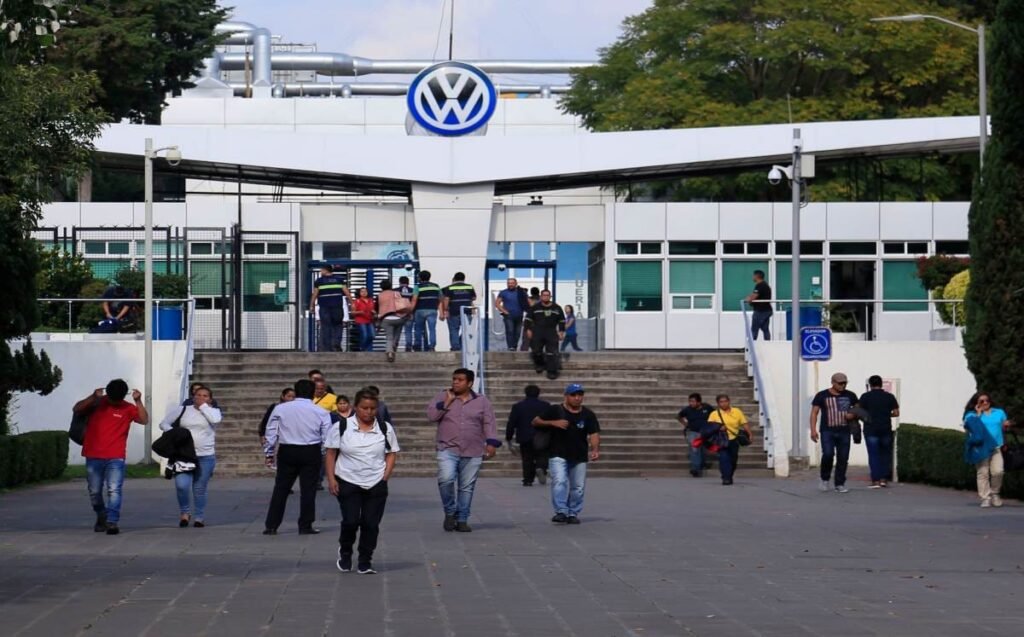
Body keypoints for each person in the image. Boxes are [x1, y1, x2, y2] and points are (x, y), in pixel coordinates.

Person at [326, 389, 400, 575]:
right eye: (364, 408)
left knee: (371, 523)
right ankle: (345, 551)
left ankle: (365, 560)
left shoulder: (384, 428)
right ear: (355, 407)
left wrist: (385, 476)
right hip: (348, 480)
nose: (368, 412)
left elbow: (392, 453)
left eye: (372, 408)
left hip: (376, 482)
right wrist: (331, 478)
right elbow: (331, 453)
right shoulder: (341, 426)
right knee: (351, 521)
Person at [426, 368, 500, 532]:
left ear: (470, 383)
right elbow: (431, 416)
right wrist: (446, 403)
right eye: (454, 379)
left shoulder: (482, 401)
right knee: (446, 479)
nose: (455, 382)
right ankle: (450, 512)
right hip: (447, 447)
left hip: (473, 450)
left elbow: (489, 423)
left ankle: (462, 519)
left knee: (466, 486)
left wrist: (491, 443)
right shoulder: (442, 396)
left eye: (460, 380)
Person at [72, 379, 150, 535]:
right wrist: (93, 397)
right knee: (94, 491)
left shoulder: (128, 408)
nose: (114, 403)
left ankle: (112, 522)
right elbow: (77, 409)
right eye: (112, 399)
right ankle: (101, 514)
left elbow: (144, 420)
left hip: (116, 456)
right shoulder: (97, 403)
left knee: (114, 490)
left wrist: (138, 401)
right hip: (93, 454)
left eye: (117, 400)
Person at [262, 379, 333, 535]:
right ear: (313, 392)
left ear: (296, 391)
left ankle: (271, 525)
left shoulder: (281, 408)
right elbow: (327, 435)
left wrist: (269, 453)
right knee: (308, 490)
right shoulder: (321, 411)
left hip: (287, 450)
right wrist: (323, 452)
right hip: (311, 450)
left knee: (281, 488)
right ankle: (305, 525)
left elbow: (271, 431)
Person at [532, 383, 601, 524]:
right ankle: (561, 511)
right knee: (559, 481)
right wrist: (553, 423)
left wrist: (595, 450)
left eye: (580, 395)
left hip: (579, 455)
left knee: (578, 487)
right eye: (573, 395)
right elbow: (535, 421)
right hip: (558, 453)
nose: (577, 398)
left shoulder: (588, 414)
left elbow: (594, 433)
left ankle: (573, 512)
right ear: (566, 396)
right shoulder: (555, 410)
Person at [159, 385, 222, 528]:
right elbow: (164, 423)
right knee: (182, 485)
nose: (201, 398)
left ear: (210, 399)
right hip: (184, 455)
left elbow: (215, 420)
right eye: (198, 395)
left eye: (205, 396)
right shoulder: (183, 409)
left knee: (199, 488)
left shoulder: (214, 412)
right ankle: (185, 512)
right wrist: (175, 433)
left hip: (205, 456)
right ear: (193, 397)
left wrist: (204, 407)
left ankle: (199, 516)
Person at [810, 372, 860, 493]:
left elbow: (858, 408)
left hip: (844, 430)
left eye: (845, 383)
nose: (843, 386)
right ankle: (824, 479)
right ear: (833, 382)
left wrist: (853, 414)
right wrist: (813, 430)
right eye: (840, 383)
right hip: (827, 430)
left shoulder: (850, 395)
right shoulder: (822, 395)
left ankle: (839, 483)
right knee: (828, 454)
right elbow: (814, 412)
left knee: (843, 457)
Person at [963, 392, 1010, 508]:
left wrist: (1006, 428)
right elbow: (971, 429)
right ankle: (985, 498)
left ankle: (995, 494)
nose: (985, 403)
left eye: (987, 400)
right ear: (976, 403)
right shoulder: (971, 415)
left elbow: (1003, 428)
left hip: (996, 446)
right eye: (981, 401)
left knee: (998, 471)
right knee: (983, 473)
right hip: (981, 448)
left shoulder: (999, 412)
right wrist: (978, 415)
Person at [505, 385, 551, 486]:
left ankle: (528, 479)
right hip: (541, 435)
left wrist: (509, 437)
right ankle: (541, 468)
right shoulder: (546, 405)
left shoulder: (518, 406)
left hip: (524, 436)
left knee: (527, 458)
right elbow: (551, 420)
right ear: (538, 393)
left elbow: (511, 423)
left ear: (525, 393)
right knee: (542, 455)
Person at [859, 376, 900, 488]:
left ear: (870, 385)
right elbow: (896, 413)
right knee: (885, 454)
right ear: (881, 384)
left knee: (873, 455)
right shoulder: (889, 396)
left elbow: (859, 412)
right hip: (885, 428)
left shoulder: (865, 396)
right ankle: (883, 479)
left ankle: (875, 480)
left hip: (871, 429)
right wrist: (887, 415)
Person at [707, 394, 752, 486]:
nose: (723, 404)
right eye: (721, 402)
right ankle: (726, 478)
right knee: (724, 458)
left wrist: (750, 434)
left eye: (725, 401)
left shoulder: (737, 411)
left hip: (734, 439)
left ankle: (729, 475)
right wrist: (718, 428)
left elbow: (744, 423)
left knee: (733, 459)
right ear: (718, 403)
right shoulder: (714, 414)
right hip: (721, 439)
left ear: (729, 401)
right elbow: (710, 427)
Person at [524, 289, 566, 380]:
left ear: (550, 297)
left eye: (547, 295)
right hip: (537, 331)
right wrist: (528, 330)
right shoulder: (535, 307)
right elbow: (528, 319)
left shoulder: (557, 308)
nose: (546, 297)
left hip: (551, 332)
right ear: (541, 296)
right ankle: (539, 364)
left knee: (552, 352)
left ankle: (551, 371)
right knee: (536, 350)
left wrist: (561, 331)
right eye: (544, 295)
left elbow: (562, 320)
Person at [309, 265, 351, 353]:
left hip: (324, 307)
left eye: (321, 270)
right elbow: (347, 292)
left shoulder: (319, 281)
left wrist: (311, 305)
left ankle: (327, 348)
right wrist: (352, 303)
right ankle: (336, 345)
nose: (321, 272)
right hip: (337, 307)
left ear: (325, 270)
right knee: (338, 326)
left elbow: (315, 294)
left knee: (325, 327)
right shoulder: (339, 280)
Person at [678, 393, 713, 477]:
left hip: (705, 432)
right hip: (692, 432)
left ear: (699, 402)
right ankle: (695, 469)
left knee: (702, 450)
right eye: (690, 401)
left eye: (693, 401)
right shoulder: (687, 409)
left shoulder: (707, 407)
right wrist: (685, 424)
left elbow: (715, 415)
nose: (691, 403)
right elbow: (679, 416)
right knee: (694, 449)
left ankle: (701, 465)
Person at [376, 279, 411, 363]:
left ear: (381, 287)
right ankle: (393, 346)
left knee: (389, 337)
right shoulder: (396, 293)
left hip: (386, 319)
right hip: (399, 318)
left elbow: (376, 308)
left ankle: (390, 352)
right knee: (396, 336)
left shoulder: (379, 296)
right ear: (390, 286)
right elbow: (402, 303)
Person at [441, 272, 477, 351]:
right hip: (467, 312)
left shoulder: (449, 288)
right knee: (467, 330)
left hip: (453, 312)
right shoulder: (469, 287)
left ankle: (455, 347)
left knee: (454, 330)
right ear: (464, 278)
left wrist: (445, 310)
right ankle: (461, 345)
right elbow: (474, 298)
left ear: (454, 279)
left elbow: (446, 299)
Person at [495, 277, 529, 351]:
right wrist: (504, 311)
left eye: (512, 283)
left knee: (518, 333)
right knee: (510, 331)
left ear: (516, 284)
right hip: (508, 316)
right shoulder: (503, 292)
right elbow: (497, 303)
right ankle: (511, 347)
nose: (510, 284)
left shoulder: (521, 292)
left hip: (519, 315)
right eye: (509, 283)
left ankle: (514, 346)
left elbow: (527, 302)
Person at [412, 270, 441, 352]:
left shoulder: (418, 287)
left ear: (420, 278)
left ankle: (417, 345)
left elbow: (414, 299)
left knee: (418, 329)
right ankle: (432, 346)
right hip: (432, 310)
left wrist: (410, 310)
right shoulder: (436, 286)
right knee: (432, 329)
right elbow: (440, 299)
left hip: (420, 310)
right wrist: (441, 311)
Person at [745, 270, 773, 341]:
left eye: (753, 275)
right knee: (765, 328)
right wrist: (750, 298)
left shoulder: (760, 285)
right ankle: (767, 343)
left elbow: (753, 296)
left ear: (757, 276)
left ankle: (751, 345)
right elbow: (754, 295)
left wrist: (748, 299)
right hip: (766, 310)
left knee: (754, 328)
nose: (752, 277)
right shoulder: (765, 285)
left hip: (761, 311)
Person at [352, 287, 376, 352]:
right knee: (364, 335)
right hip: (361, 321)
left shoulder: (371, 301)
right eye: (362, 291)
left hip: (369, 320)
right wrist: (360, 312)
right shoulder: (357, 301)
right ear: (359, 293)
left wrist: (374, 312)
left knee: (372, 335)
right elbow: (353, 312)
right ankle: (362, 348)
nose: (364, 293)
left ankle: (363, 348)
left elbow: (373, 310)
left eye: (365, 291)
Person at [398, 275, 416, 352]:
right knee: (408, 331)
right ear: (408, 282)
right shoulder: (413, 290)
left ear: (399, 282)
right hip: (409, 314)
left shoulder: (395, 290)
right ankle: (408, 346)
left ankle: (394, 346)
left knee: (397, 331)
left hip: (398, 314)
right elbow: (415, 302)